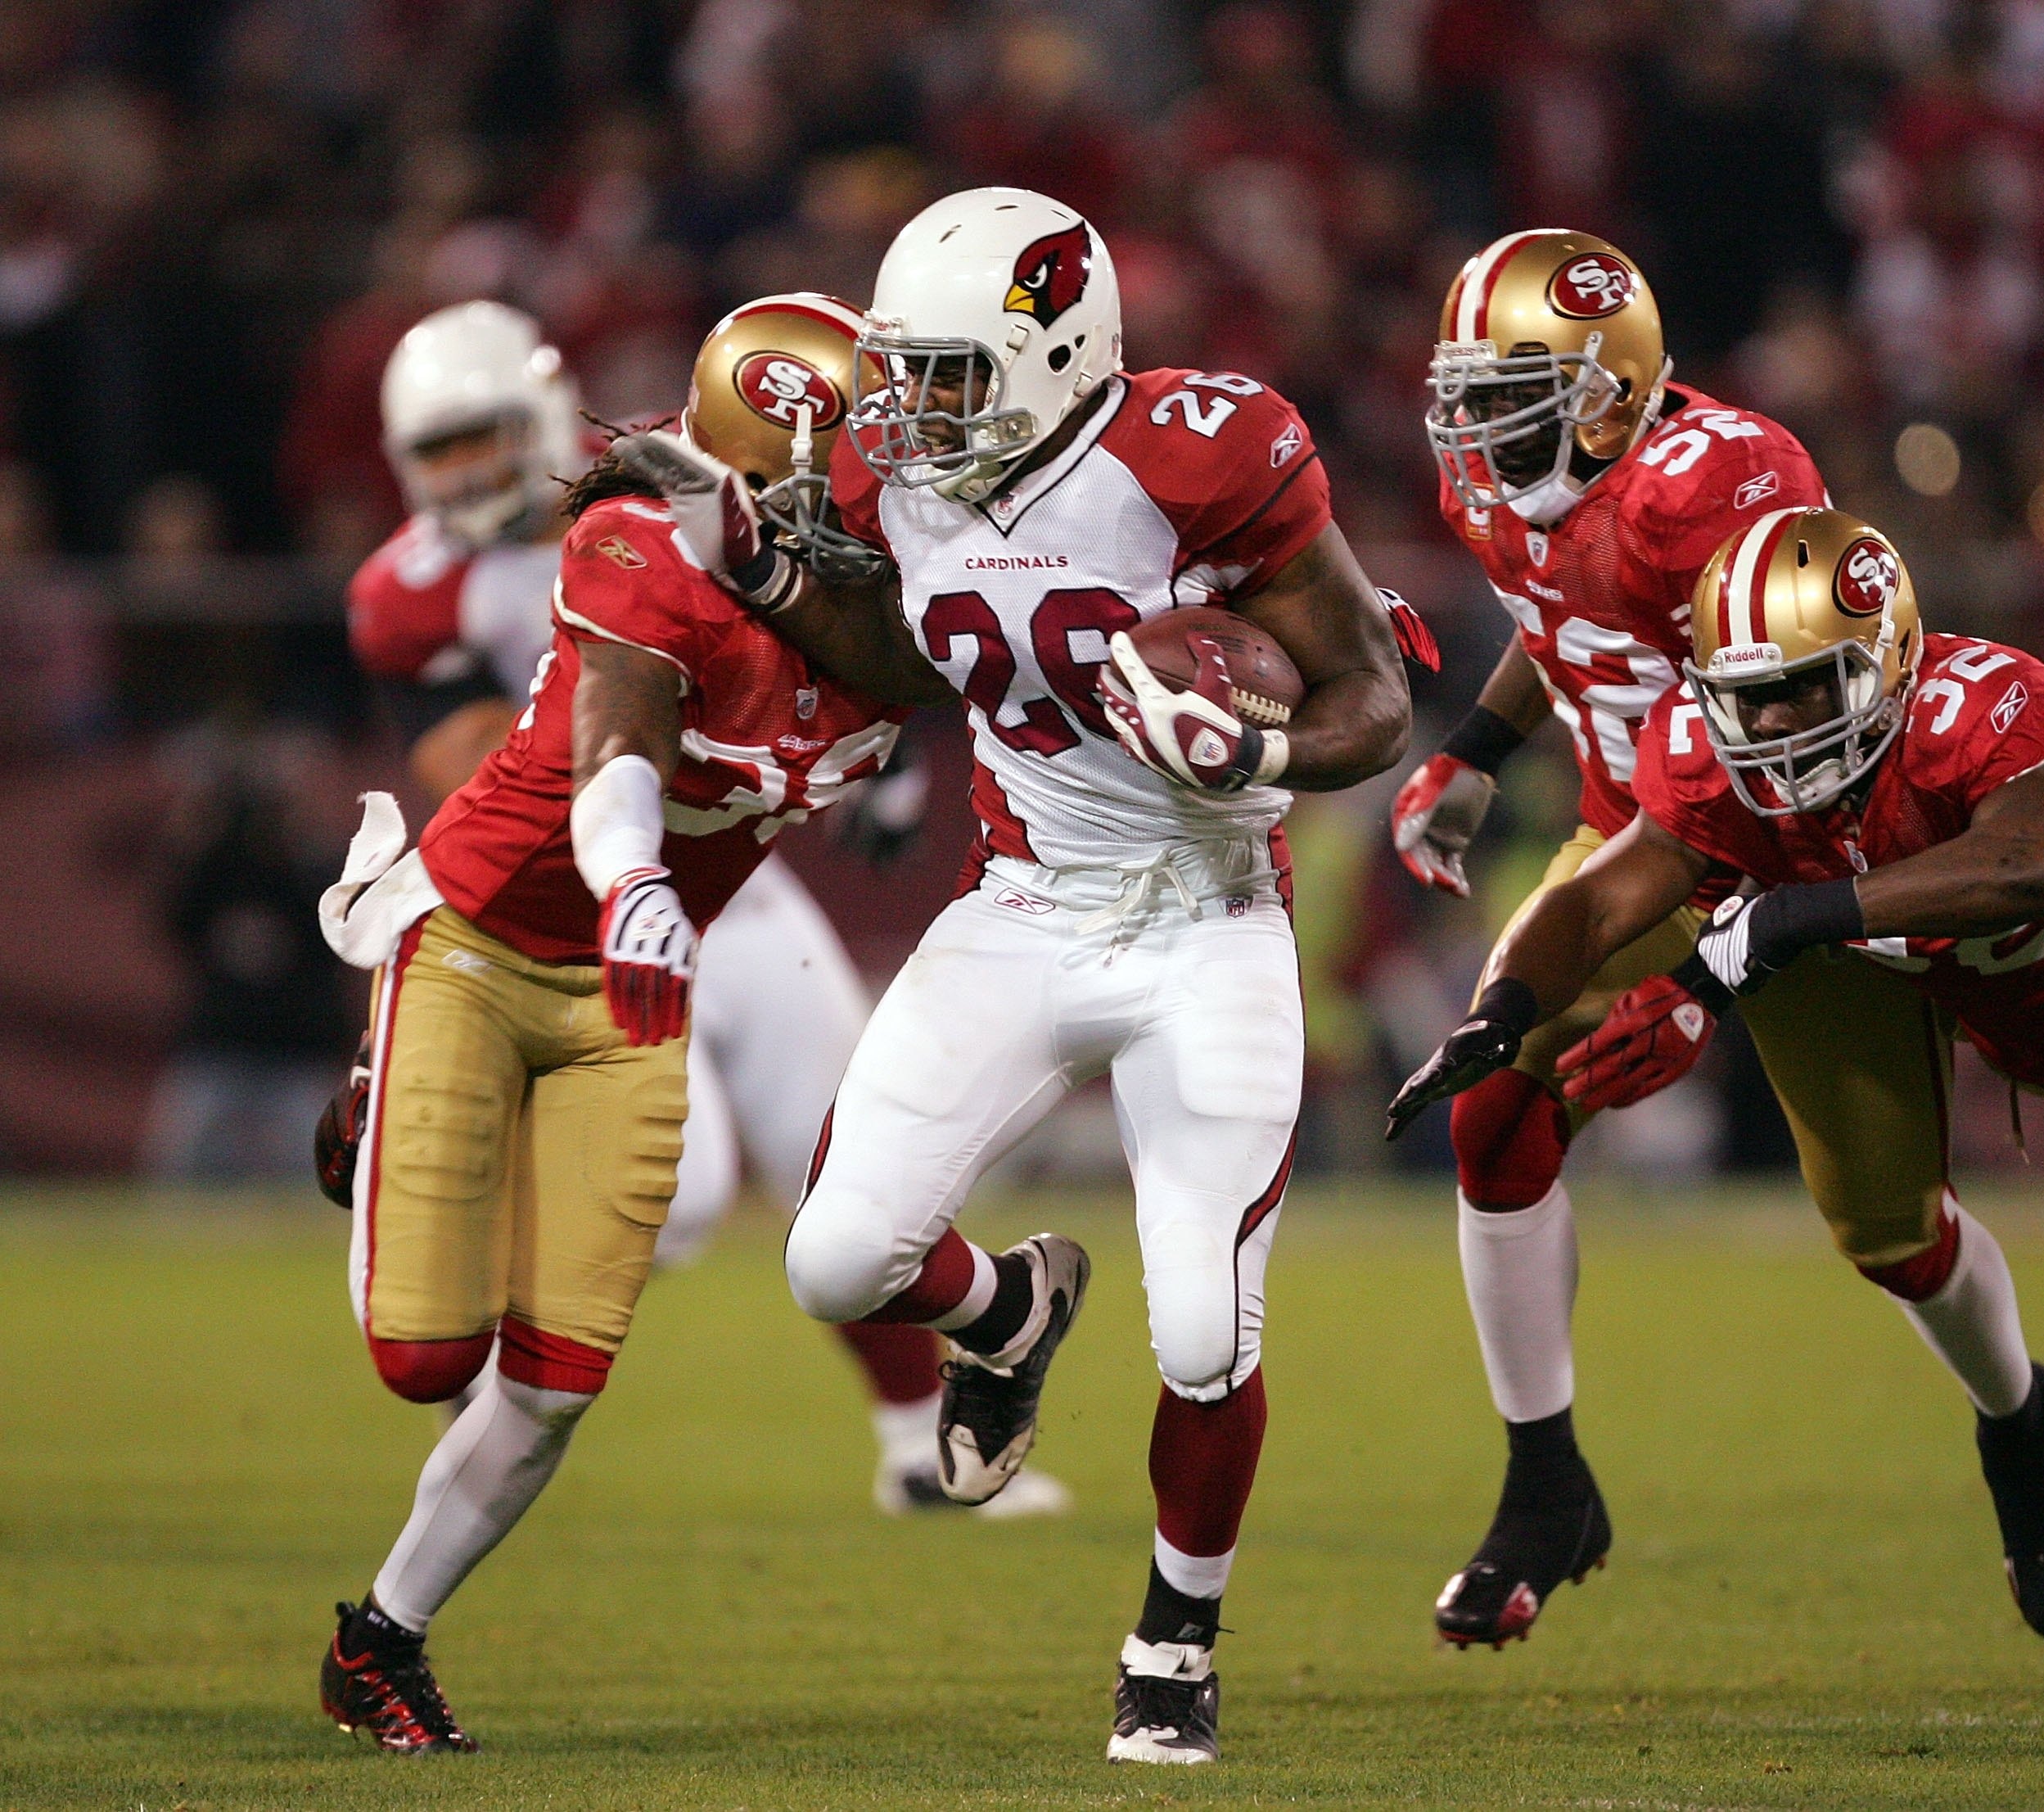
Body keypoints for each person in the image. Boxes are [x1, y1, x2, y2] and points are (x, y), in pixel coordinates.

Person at [1390, 228, 2044, 1651]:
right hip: (1709, 849)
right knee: (1602, 1132)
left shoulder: (1818, 597)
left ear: (1603, 389)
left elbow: (2007, 854)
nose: (1471, 429)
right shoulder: (1701, 732)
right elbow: (1588, 642)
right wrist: (1480, 780)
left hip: (1962, 948)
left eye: (1509, 393)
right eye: (1468, 392)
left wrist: (1732, 961)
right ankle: (1548, 1480)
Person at [616, 186, 1413, 1764]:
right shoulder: (895, 460)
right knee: (833, 1264)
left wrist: (1257, 743)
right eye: (904, 371)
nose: (913, 409)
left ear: (1063, 350)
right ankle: (1008, 1310)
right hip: (1023, 903)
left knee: (1204, 1331)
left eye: (954, 373)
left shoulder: (1202, 449)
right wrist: (761, 565)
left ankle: (1174, 1639)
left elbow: (1373, 695)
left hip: (1207, 914)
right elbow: (918, 653)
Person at [310, 299, 916, 1756]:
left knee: (559, 1378)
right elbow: (610, 759)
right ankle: (376, 1102)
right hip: (503, 924)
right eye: (826, 475)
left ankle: (379, 1640)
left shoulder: (886, 607)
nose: (866, 499)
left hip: (638, 965)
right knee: (422, 1360)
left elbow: (958, 667)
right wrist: (637, 877)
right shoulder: (629, 531)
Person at [336, 298, 1058, 1516]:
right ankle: (476, 1315)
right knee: (685, 1198)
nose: (470, 472)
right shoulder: (414, 592)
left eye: (487, 435)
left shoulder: (704, 469)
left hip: (731, 867)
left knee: (844, 1149)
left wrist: (867, 760)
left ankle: (906, 1439)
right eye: (443, 448)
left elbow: (831, 617)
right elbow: (484, 767)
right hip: (581, 880)